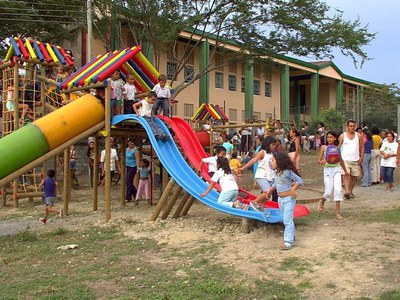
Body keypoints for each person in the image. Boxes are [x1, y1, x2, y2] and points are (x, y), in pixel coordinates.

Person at [264, 152, 303, 250]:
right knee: (285, 219)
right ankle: (291, 237)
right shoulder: (276, 173)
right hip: (280, 199)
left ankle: (288, 242)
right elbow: (275, 184)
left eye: (273, 161)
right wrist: (269, 191)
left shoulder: (288, 172)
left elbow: (299, 181)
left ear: (279, 162)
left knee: (287, 220)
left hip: (289, 199)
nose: (271, 163)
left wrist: (292, 190)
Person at [239, 136, 277, 213]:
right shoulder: (262, 152)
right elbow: (254, 160)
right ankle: (254, 202)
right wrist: (243, 168)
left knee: (266, 195)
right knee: (267, 192)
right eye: (273, 145)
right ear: (268, 144)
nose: (274, 147)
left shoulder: (271, 154)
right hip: (261, 175)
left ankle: (261, 209)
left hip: (269, 177)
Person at [317, 131, 347, 220]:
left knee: (338, 190)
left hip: (336, 169)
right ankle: (322, 201)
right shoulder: (324, 147)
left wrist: (345, 170)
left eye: (331, 137)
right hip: (327, 170)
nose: (329, 139)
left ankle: (337, 213)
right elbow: (319, 160)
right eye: (328, 137)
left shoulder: (337, 148)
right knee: (328, 191)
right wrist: (321, 162)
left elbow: (340, 160)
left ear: (335, 138)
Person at [338, 120, 364, 199]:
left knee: (354, 176)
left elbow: (362, 147)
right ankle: (347, 191)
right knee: (346, 174)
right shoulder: (343, 136)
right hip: (345, 159)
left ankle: (350, 191)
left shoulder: (359, 136)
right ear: (347, 126)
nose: (352, 127)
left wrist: (361, 157)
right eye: (350, 126)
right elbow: (338, 147)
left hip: (355, 159)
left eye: (353, 126)